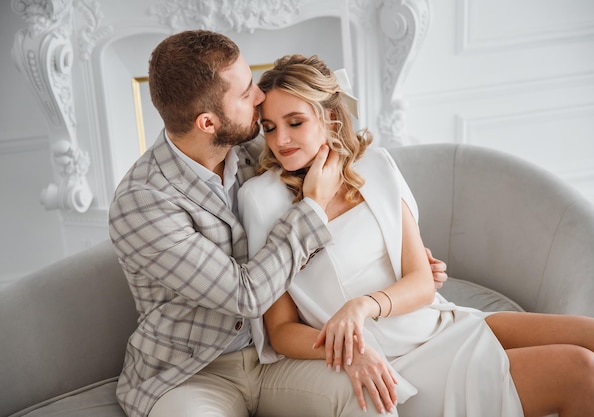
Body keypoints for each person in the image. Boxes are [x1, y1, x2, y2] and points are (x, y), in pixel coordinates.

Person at [238, 54, 594, 417]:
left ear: (330, 118)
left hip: (437, 321)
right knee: (581, 371)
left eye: (295, 122)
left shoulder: (375, 166)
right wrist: (352, 349)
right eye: (269, 127)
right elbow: (281, 331)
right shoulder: (263, 200)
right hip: (396, 360)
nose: (281, 140)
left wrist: (362, 305)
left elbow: (421, 282)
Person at [108, 30, 447, 417]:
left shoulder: (260, 143)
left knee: (370, 397)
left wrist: (399, 255)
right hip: (192, 374)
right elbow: (246, 296)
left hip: (278, 356)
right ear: (207, 122)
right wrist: (313, 208)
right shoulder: (142, 203)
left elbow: (337, 144)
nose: (259, 97)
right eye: (246, 90)